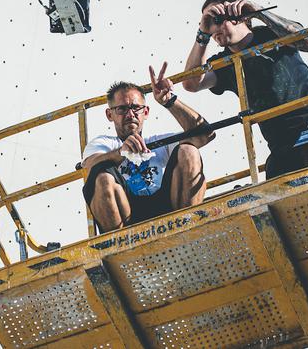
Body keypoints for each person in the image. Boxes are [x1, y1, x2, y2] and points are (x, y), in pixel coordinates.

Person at [182, 0, 308, 179]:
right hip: (280, 144)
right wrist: (202, 35)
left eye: (217, 19)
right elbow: (191, 83)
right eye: (209, 23)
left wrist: (258, 11)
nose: (214, 29)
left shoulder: (273, 33)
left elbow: (307, 42)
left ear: (238, 16)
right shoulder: (225, 62)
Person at [81, 62, 215, 233]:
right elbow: (89, 165)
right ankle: (120, 246)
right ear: (110, 115)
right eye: (122, 109)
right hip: (126, 214)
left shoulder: (159, 141)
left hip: (168, 207)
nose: (130, 114)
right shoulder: (103, 144)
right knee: (101, 177)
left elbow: (205, 135)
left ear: (146, 112)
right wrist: (120, 152)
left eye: (136, 108)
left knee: (189, 151)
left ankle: (187, 228)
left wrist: (170, 101)